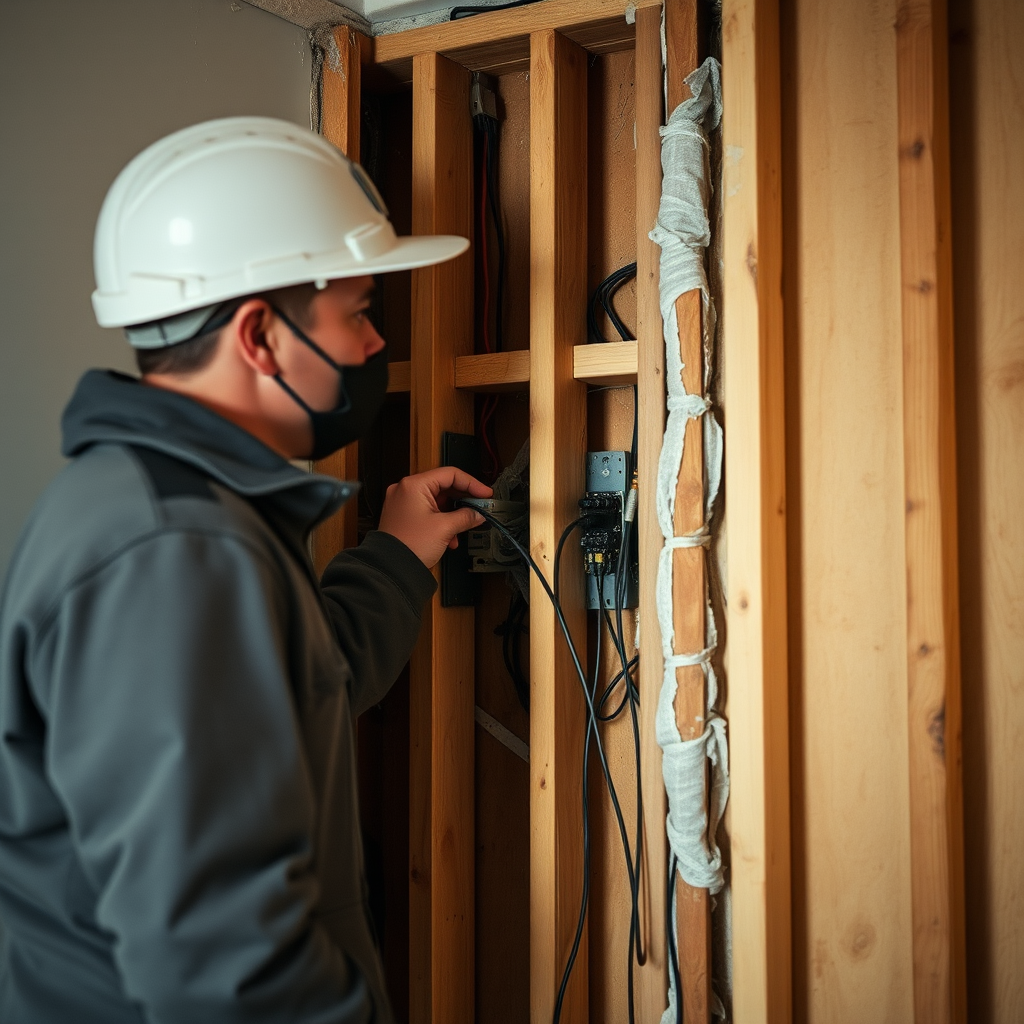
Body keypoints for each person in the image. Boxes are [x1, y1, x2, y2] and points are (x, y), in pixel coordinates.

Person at [0, 116, 489, 1023]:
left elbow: (296, 692)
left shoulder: (172, 508)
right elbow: (223, 964)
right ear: (260, 335)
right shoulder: (173, 549)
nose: (375, 346)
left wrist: (394, 558)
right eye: (359, 313)